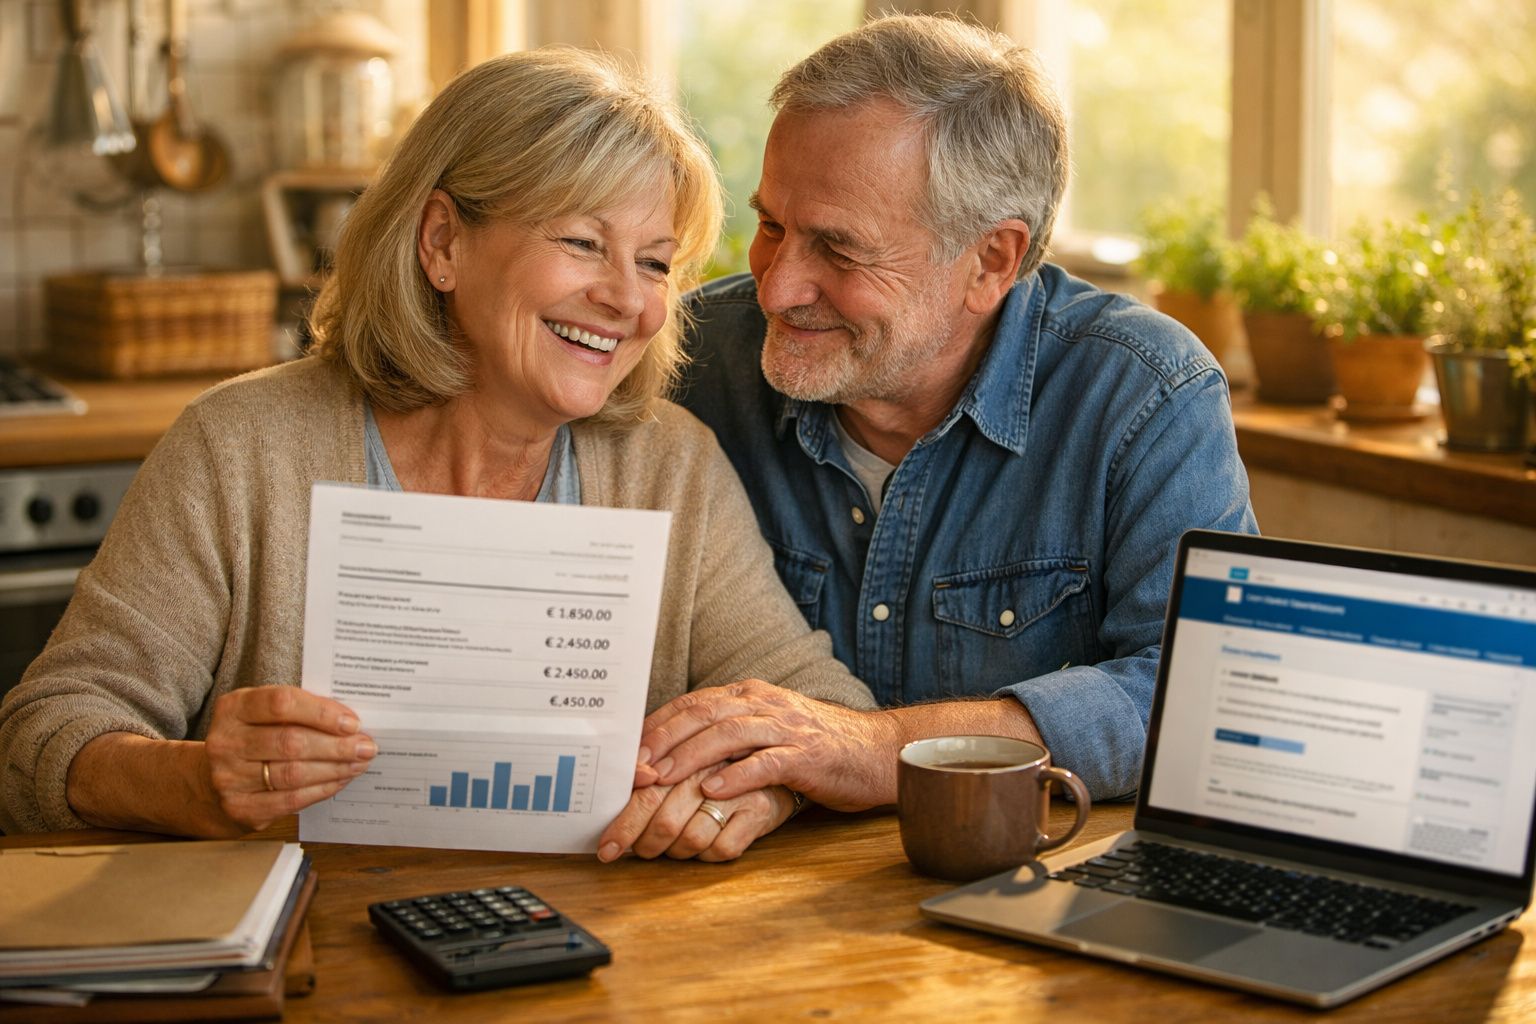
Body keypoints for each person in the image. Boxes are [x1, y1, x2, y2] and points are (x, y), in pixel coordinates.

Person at [0, 48, 873, 862]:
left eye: (653, 262)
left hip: (582, 954)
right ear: (442, 242)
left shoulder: (667, 468)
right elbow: (43, 737)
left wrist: (759, 792)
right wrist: (194, 783)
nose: (625, 300)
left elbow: (824, 719)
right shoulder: (240, 448)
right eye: (579, 242)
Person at [622, 14, 1257, 824]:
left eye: (839, 250)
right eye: (772, 225)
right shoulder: (689, 361)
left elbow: (1208, 691)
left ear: (990, 259)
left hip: (1026, 887)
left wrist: (878, 750)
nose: (777, 287)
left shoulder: (1144, 396)